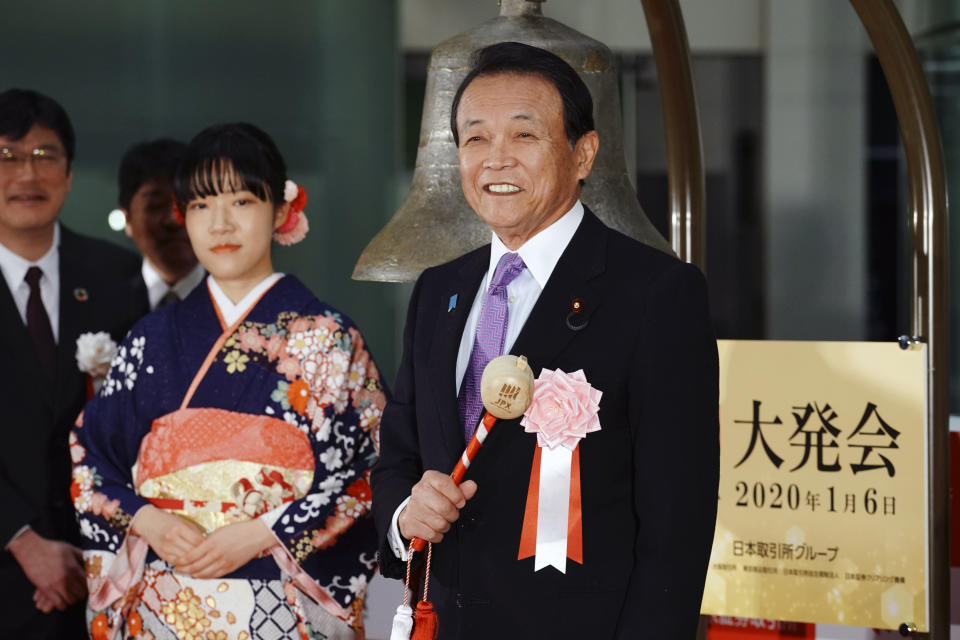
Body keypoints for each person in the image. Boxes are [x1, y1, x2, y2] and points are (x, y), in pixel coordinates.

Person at [371, 42, 719, 639]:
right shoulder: (438, 290)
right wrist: (406, 515)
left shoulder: (656, 293)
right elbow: (400, 453)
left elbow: (676, 527)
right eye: (475, 138)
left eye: (524, 136)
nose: (495, 159)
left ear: (583, 154)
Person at [72, 123, 387, 639]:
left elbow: (369, 470)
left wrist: (262, 532)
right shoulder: (153, 337)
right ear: (184, 216)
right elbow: (90, 456)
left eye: (241, 201)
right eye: (200, 206)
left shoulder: (327, 338)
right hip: (166, 595)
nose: (220, 224)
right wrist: (148, 521)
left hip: (282, 600)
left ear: (282, 211)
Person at [0, 88, 148, 639]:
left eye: (45, 156)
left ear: (68, 172)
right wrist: (20, 539)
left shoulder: (117, 276)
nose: (27, 174)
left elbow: (143, 421)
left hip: (104, 573)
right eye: (7, 156)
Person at [118, 138, 205, 309]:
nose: (173, 220)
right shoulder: (105, 304)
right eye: (155, 206)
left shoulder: (239, 301)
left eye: (186, 205)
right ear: (127, 218)